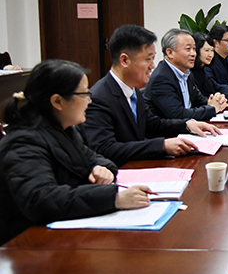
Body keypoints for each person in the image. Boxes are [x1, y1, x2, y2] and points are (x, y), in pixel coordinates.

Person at [0, 60, 151, 245]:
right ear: (57, 101)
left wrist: (101, 168)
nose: (90, 100)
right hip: (29, 244)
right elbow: (41, 200)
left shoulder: (66, 129)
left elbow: (95, 158)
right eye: (84, 94)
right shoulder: (23, 142)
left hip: (65, 234)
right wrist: (114, 198)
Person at [83, 24, 221, 167]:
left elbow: (153, 125)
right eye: (148, 59)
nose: (152, 66)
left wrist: (187, 124)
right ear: (124, 61)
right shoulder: (100, 98)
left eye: (153, 59)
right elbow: (105, 149)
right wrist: (161, 145)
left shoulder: (133, 91)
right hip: (120, 172)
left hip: (139, 165)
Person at [144, 29, 227, 121]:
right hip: (171, 129)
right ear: (170, 53)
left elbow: (199, 100)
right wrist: (212, 108)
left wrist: (216, 101)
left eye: (194, 49)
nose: (193, 54)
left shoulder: (186, 73)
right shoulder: (161, 78)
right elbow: (178, 114)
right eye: (188, 49)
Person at [191, 32, 228, 103]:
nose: (210, 55)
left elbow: (216, 87)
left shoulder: (203, 69)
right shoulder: (191, 72)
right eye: (207, 51)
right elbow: (202, 98)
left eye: (212, 51)